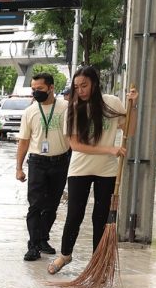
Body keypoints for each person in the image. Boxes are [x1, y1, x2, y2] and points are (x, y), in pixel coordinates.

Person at [48, 68, 133, 275]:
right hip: (80, 168)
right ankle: (66, 254)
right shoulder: (74, 108)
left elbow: (129, 130)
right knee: (74, 214)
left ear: (94, 83)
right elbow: (76, 145)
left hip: (107, 170)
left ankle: (99, 261)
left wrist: (134, 106)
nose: (81, 90)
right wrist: (110, 149)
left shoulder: (112, 102)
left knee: (101, 217)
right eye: (77, 87)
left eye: (84, 85)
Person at [15, 72, 70, 261]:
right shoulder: (30, 111)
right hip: (38, 162)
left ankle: (42, 239)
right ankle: (33, 245)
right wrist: (19, 167)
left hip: (60, 161)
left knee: (52, 206)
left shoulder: (66, 108)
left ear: (51, 88)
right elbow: (23, 141)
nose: (36, 92)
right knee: (35, 205)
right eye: (33, 89)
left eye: (40, 89)